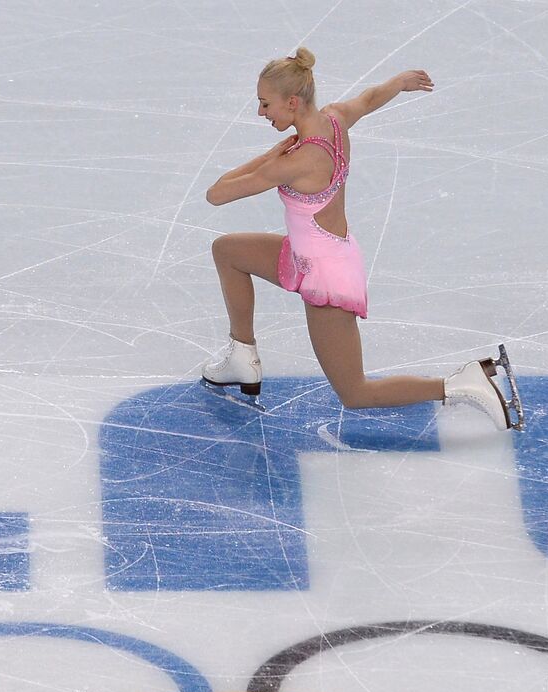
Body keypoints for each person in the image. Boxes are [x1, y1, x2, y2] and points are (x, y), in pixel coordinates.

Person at [200, 48, 516, 429]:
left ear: (293, 102)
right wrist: (398, 83)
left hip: (326, 276)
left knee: (355, 392)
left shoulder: (296, 160)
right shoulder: (334, 119)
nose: (261, 113)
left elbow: (216, 193)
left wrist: (268, 156)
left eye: (266, 104)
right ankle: (242, 356)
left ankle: (459, 384)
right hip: (308, 254)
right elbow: (367, 100)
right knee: (228, 251)